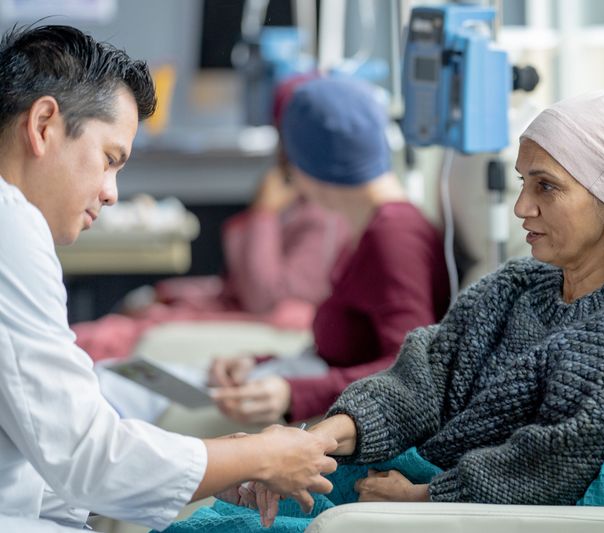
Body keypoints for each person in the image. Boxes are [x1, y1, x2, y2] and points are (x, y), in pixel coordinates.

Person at [0, 24, 336, 531]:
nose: (111, 193)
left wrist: (213, 461)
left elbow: (44, 464)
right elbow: (85, 456)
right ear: (45, 123)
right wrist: (258, 457)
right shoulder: (11, 225)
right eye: (110, 160)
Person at [305, 89, 604, 506]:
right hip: (390, 473)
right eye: (523, 183)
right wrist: (324, 436)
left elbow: (550, 467)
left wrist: (418, 499)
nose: (522, 206)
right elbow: (421, 378)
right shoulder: (516, 283)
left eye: (546, 187)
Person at [209, 77, 451, 425]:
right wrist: (259, 365)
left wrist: (294, 394)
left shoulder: (393, 238)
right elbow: (346, 354)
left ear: (301, 164)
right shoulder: (371, 228)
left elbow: (411, 370)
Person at [71, 73, 350, 362]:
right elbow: (237, 286)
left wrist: (263, 214)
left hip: (248, 327)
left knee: (92, 342)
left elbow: (263, 297)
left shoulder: (323, 214)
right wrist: (172, 294)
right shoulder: (296, 197)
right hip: (226, 311)